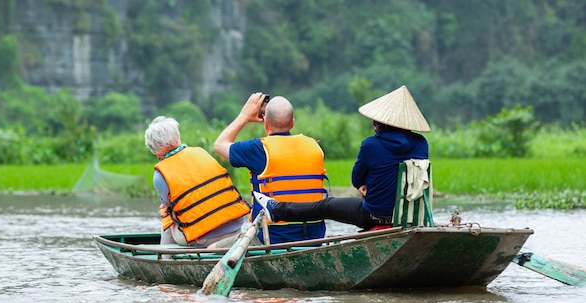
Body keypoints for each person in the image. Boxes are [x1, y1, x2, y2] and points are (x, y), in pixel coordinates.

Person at [253, 85, 430, 231]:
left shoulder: (371, 145)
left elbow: (356, 179)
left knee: (325, 206)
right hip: (408, 216)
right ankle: (277, 210)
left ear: (381, 122)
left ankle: (276, 210)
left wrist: (365, 186)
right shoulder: (422, 144)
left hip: (374, 215)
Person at [213, 92, 328, 245]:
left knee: (212, 248)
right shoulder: (314, 146)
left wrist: (244, 117)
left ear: (265, 123)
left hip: (271, 238)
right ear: (292, 123)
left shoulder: (259, 149)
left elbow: (219, 146)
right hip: (314, 237)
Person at [144, 116, 250, 247]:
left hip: (202, 237)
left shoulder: (160, 175)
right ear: (177, 136)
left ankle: (165, 258)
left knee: (166, 212)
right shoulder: (201, 152)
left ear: (154, 148)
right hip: (234, 228)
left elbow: (168, 204)